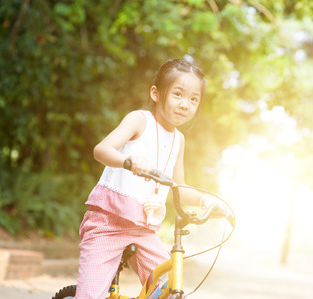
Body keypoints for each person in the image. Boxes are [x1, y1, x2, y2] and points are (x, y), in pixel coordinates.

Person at [74, 58, 218, 299]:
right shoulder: (139, 120)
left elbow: (178, 188)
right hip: (108, 223)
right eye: (178, 94)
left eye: (193, 99)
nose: (185, 104)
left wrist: (205, 200)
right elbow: (101, 150)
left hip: (145, 231)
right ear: (156, 93)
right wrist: (128, 162)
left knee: (168, 288)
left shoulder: (178, 140)